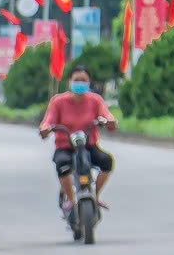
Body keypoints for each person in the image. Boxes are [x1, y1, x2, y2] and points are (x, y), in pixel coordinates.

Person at [35, 67, 117, 216]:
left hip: (88, 146)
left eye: (83, 80)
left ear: (89, 82)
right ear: (69, 82)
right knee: (62, 165)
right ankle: (71, 201)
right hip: (65, 146)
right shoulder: (58, 101)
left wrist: (109, 121)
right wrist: (45, 128)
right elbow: (48, 121)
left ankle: (95, 196)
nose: (80, 83)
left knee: (107, 161)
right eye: (77, 80)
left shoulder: (95, 100)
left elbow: (107, 116)